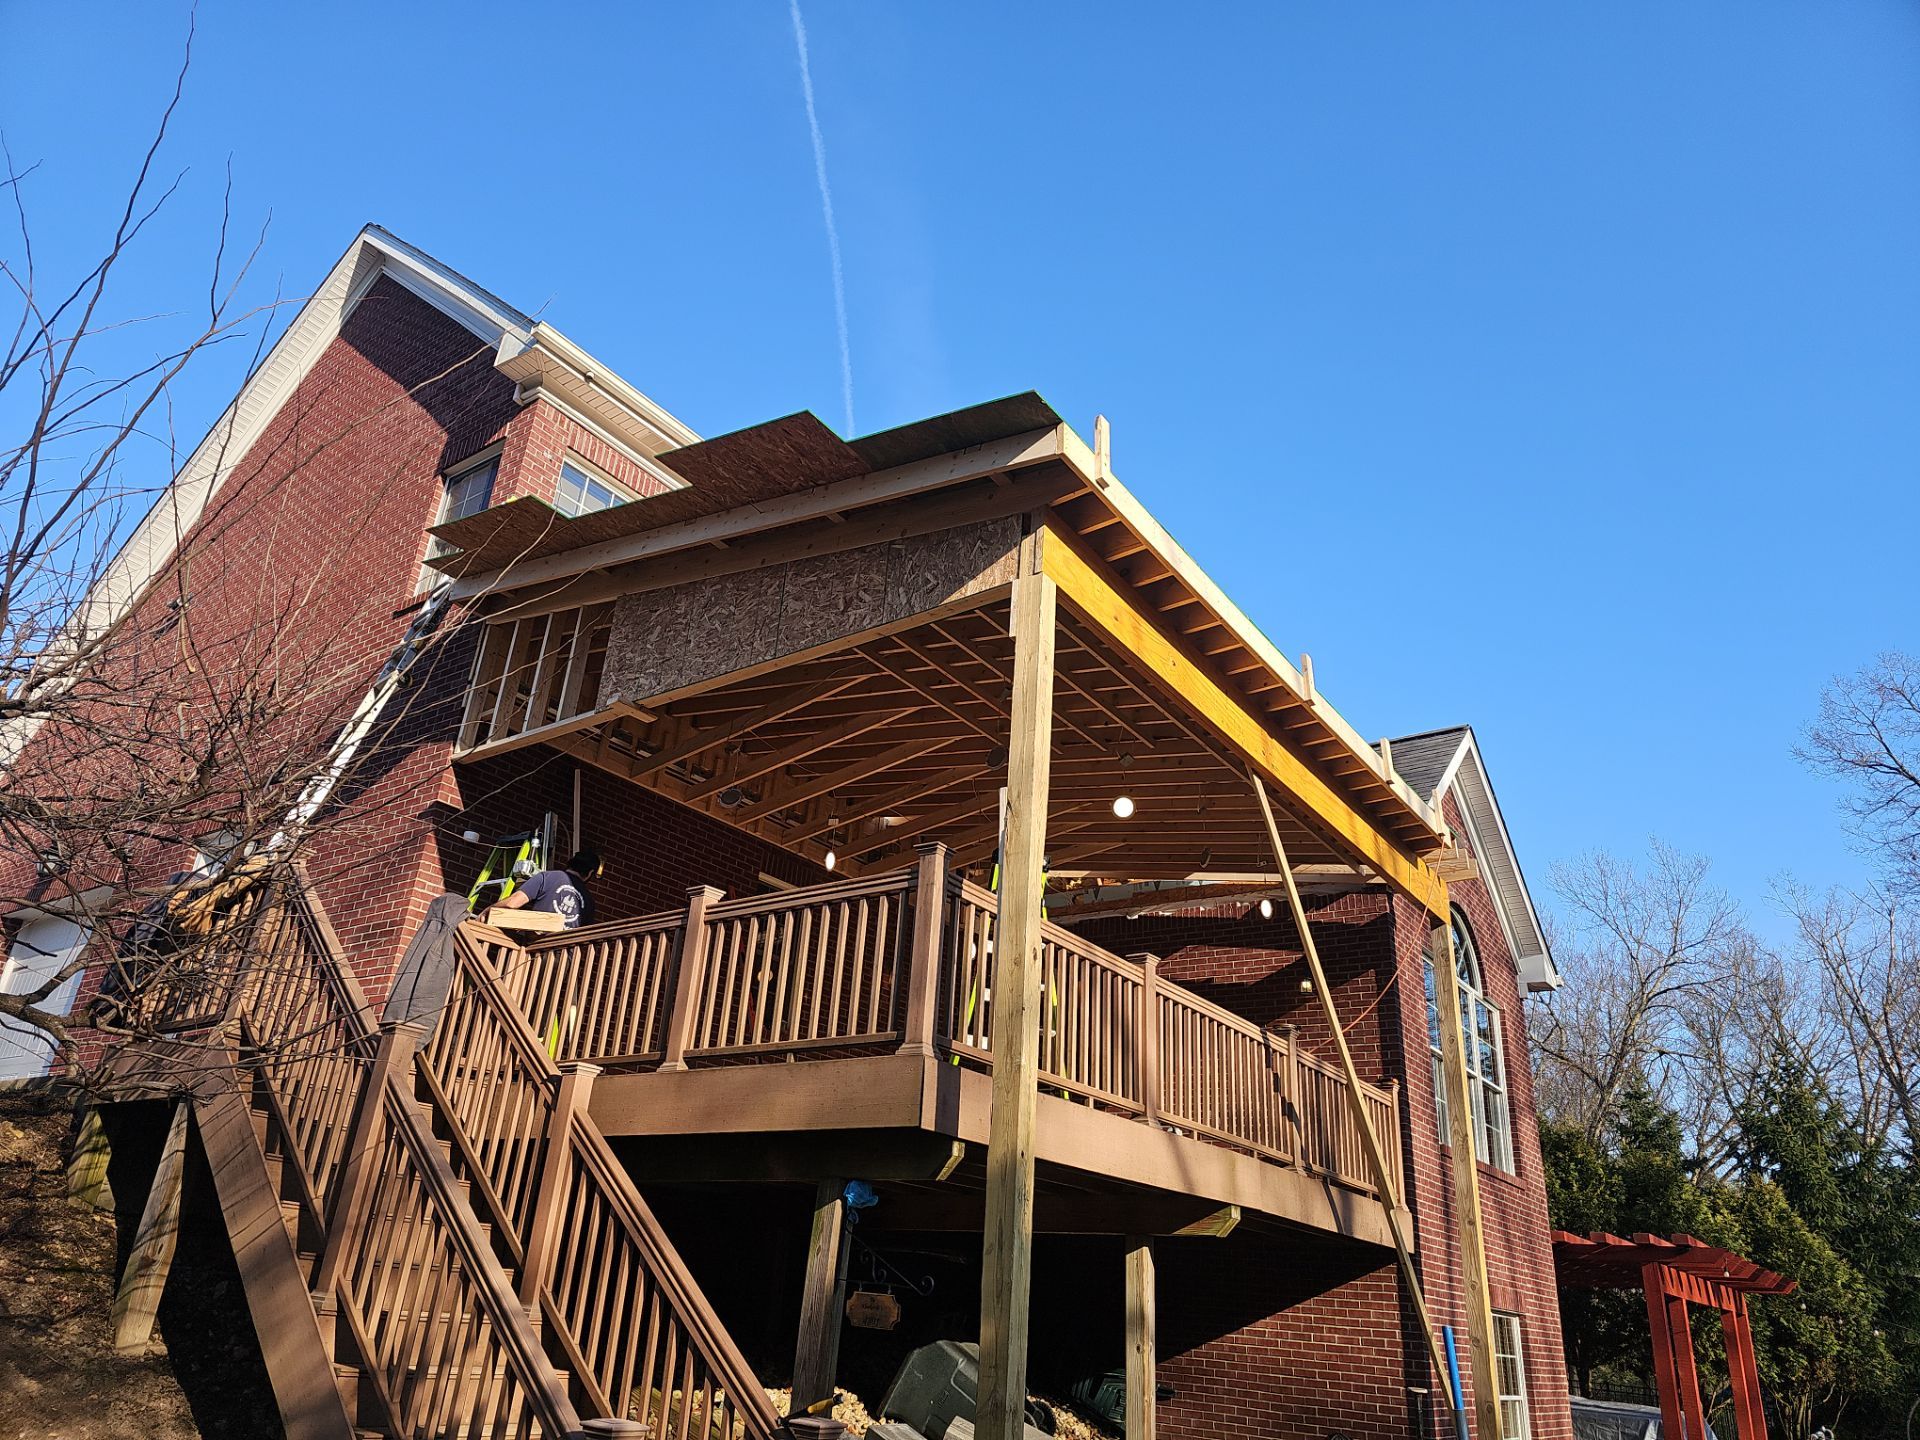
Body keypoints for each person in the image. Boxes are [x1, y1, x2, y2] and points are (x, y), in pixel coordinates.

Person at [494, 848, 602, 929]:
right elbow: (584, 936)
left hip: (534, 952)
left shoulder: (546, 877)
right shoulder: (589, 902)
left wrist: (488, 910)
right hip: (565, 956)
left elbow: (511, 904)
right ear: (590, 872)